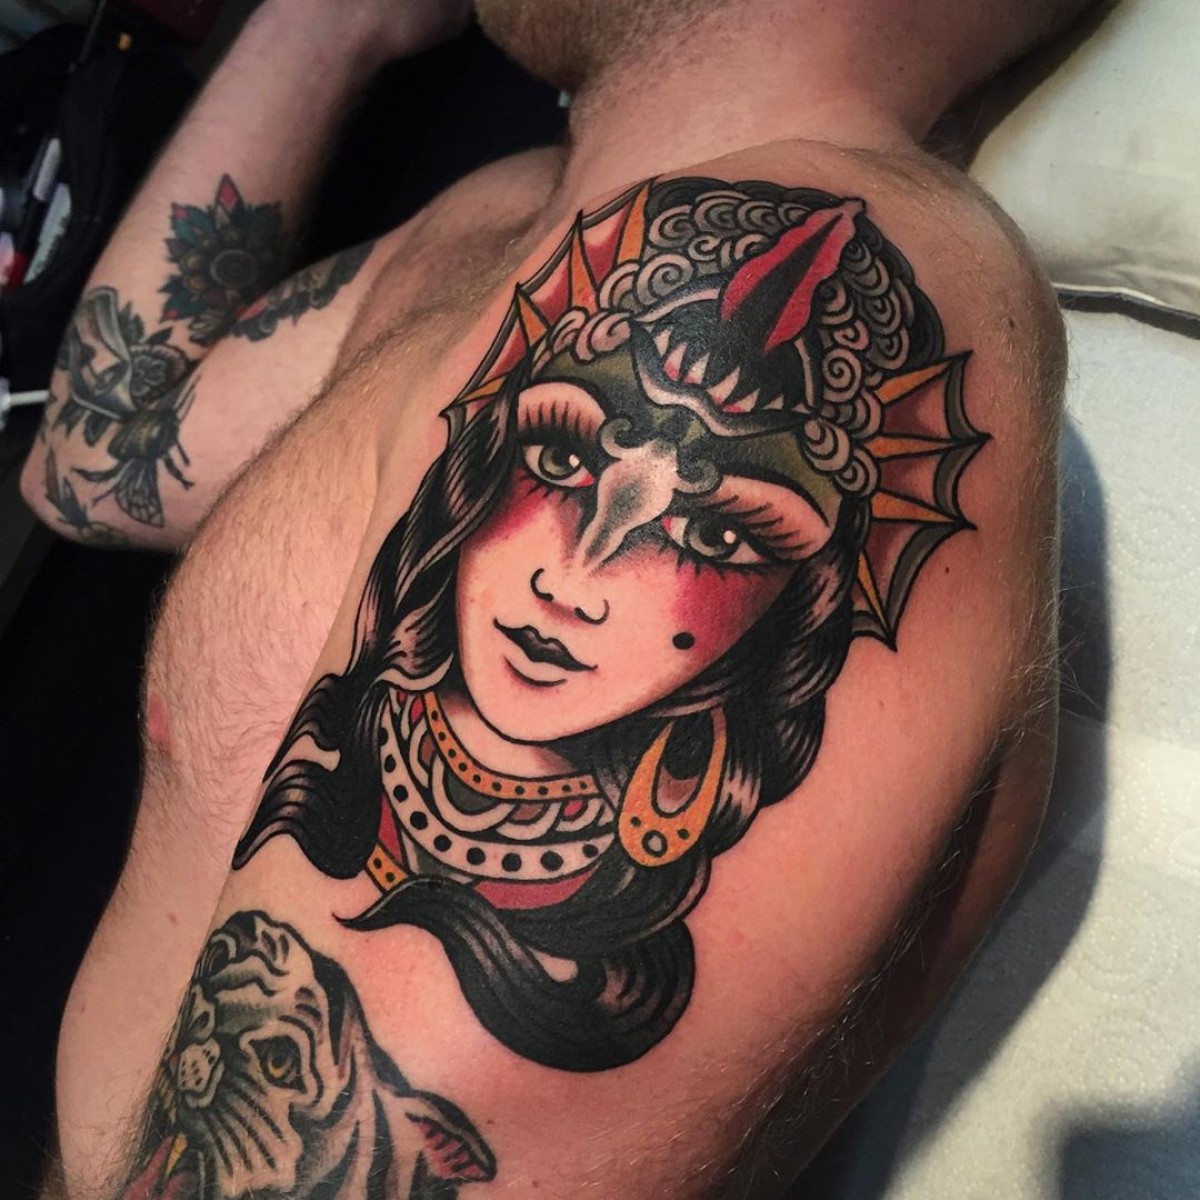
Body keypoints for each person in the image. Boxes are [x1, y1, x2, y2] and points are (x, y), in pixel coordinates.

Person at [21, 1, 1090, 1196]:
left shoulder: (840, 270)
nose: (572, 574)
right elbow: (96, 460)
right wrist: (325, 28)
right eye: (559, 459)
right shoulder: (501, 226)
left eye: (708, 531)